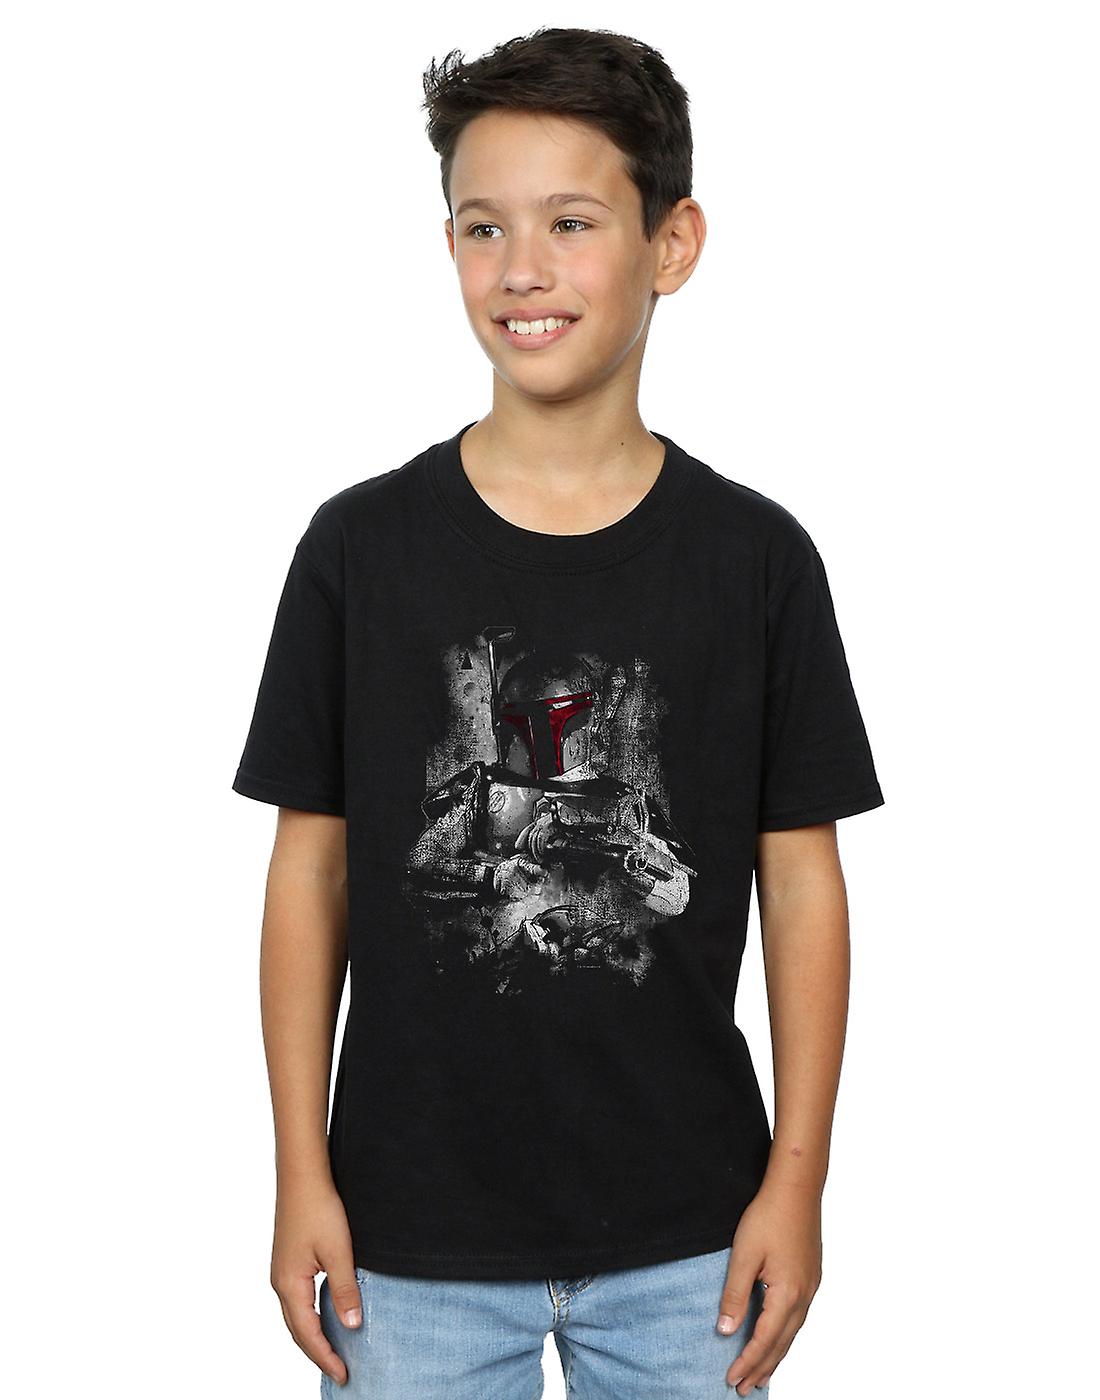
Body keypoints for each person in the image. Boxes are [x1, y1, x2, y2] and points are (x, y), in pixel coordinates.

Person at [231, 25, 885, 1399]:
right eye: (484, 227)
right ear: (449, 246)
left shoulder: (756, 562)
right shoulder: (359, 550)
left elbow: (801, 885)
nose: (521, 269)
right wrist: (299, 1171)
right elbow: (310, 873)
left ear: (671, 244)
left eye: (571, 223)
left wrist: (797, 1182)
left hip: (692, 1235)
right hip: (406, 1233)